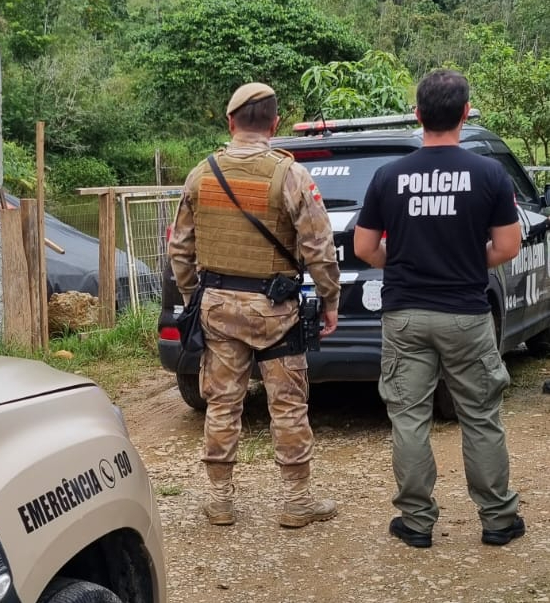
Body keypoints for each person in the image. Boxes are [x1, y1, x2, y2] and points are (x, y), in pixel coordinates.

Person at [354, 69, 525, 548]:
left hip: (405, 314)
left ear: (418, 115)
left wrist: (401, 261)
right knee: (480, 416)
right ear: (466, 113)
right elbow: (508, 246)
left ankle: (415, 522)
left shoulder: (388, 176)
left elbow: (365, 247)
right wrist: (468, 259)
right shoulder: (489, 175)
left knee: (409, 418)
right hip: (467, 314)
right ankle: (498, 520)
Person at [168, 82, 341, 527]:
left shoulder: (201, 174)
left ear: (230, 122)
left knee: (222, 404)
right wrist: (329, 300)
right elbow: (319, 247)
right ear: (275, 123)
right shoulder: (291, 175)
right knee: (288, 405)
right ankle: (296, 502)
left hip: (217, 308)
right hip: (274, 312)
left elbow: (180, 249)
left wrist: (192, 299)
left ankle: (220, 501)